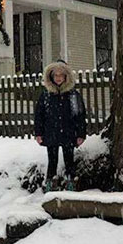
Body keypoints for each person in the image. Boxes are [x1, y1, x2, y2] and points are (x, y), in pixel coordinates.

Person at [34, 59, 86, 192]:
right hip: (51, 133)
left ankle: (71, 181)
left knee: (69, 159)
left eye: (61, 75)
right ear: (51, 76)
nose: (58, 78)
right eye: (55, 75)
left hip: (69, 133)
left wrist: (80, 134)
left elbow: (80, 115)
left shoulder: (73, 95)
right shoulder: (46, 95)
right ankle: (50, 182)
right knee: (52, 159)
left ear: (66, 76)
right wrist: (38, 133)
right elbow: (39, 115)